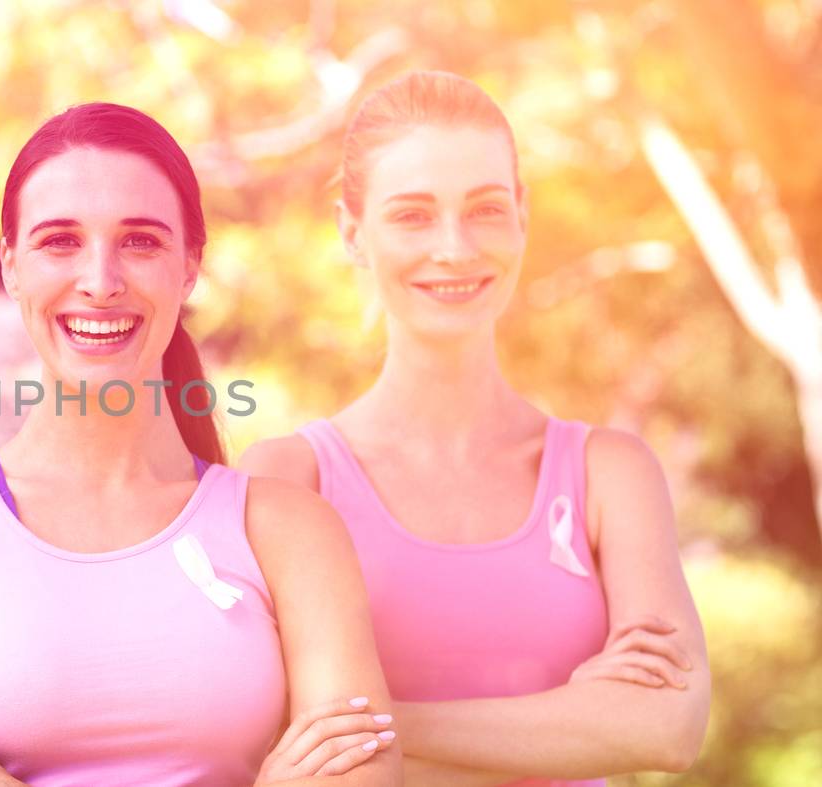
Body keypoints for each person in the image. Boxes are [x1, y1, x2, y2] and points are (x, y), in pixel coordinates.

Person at [0, 102, 401, 786]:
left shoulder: (291, 531)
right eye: (60, 241)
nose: (101, 281)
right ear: (13, 267)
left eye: (140, 241)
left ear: (189, 267)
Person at [239, 71, 710, 786]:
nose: (455, 248)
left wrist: (370, 724)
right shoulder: (288, 481)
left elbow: (670, 724)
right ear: (351, 233)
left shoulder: (608, 474)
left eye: (485, 209)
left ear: (522, 215)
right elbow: (260, 731)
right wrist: (579, 715)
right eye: (413, 215)